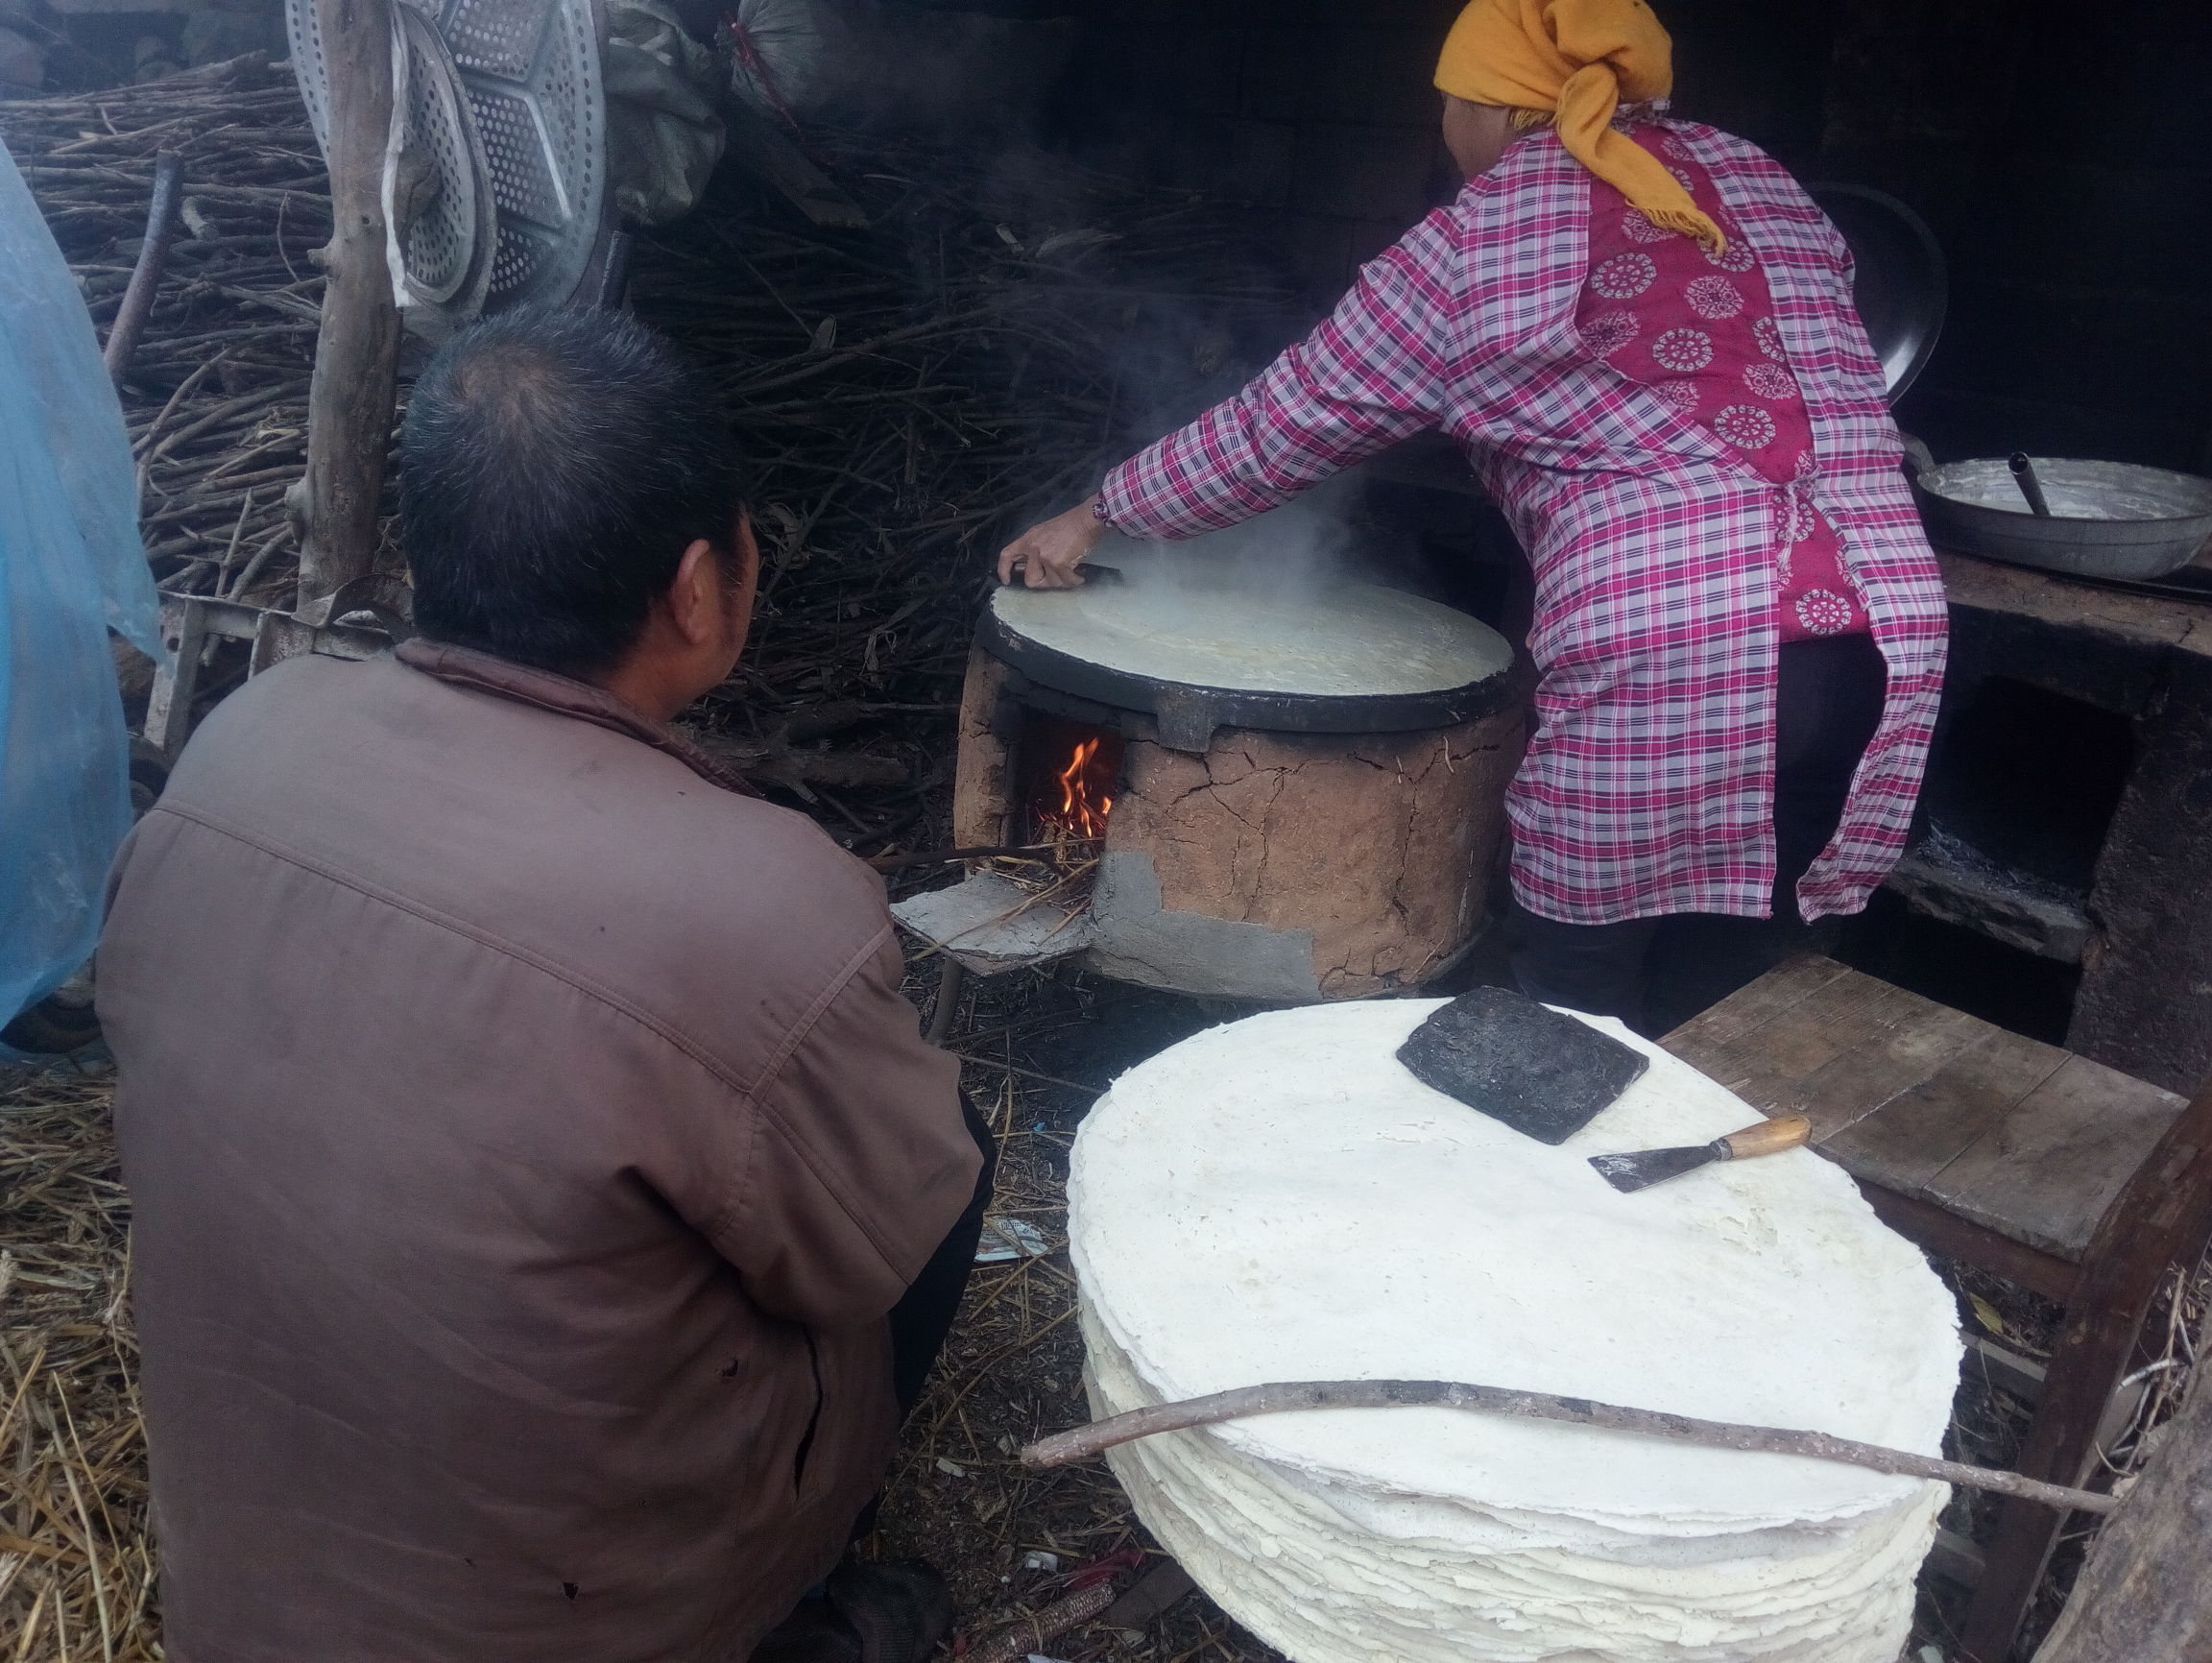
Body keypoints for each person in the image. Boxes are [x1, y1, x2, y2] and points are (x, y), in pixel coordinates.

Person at [96, 306, 988, 1663]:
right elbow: (877, 1239)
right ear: (701, 585)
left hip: (243, 1593)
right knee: (949, 1159)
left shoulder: (245, 740)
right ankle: (797, 1606)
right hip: (583, 1624)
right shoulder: (765, 909)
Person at [999, 0, 1947, 1027]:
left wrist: (1098, 513)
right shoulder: (1757, 178)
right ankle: (1684, 1154)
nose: (1444, 126)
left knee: (1574, 1000)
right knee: (1733, 993)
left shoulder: (1484, 237)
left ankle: (1559, 1168)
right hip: (1881, 638)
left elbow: (1285, 422)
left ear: (1496, 110)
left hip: (1677, 651)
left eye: (1451, 101)